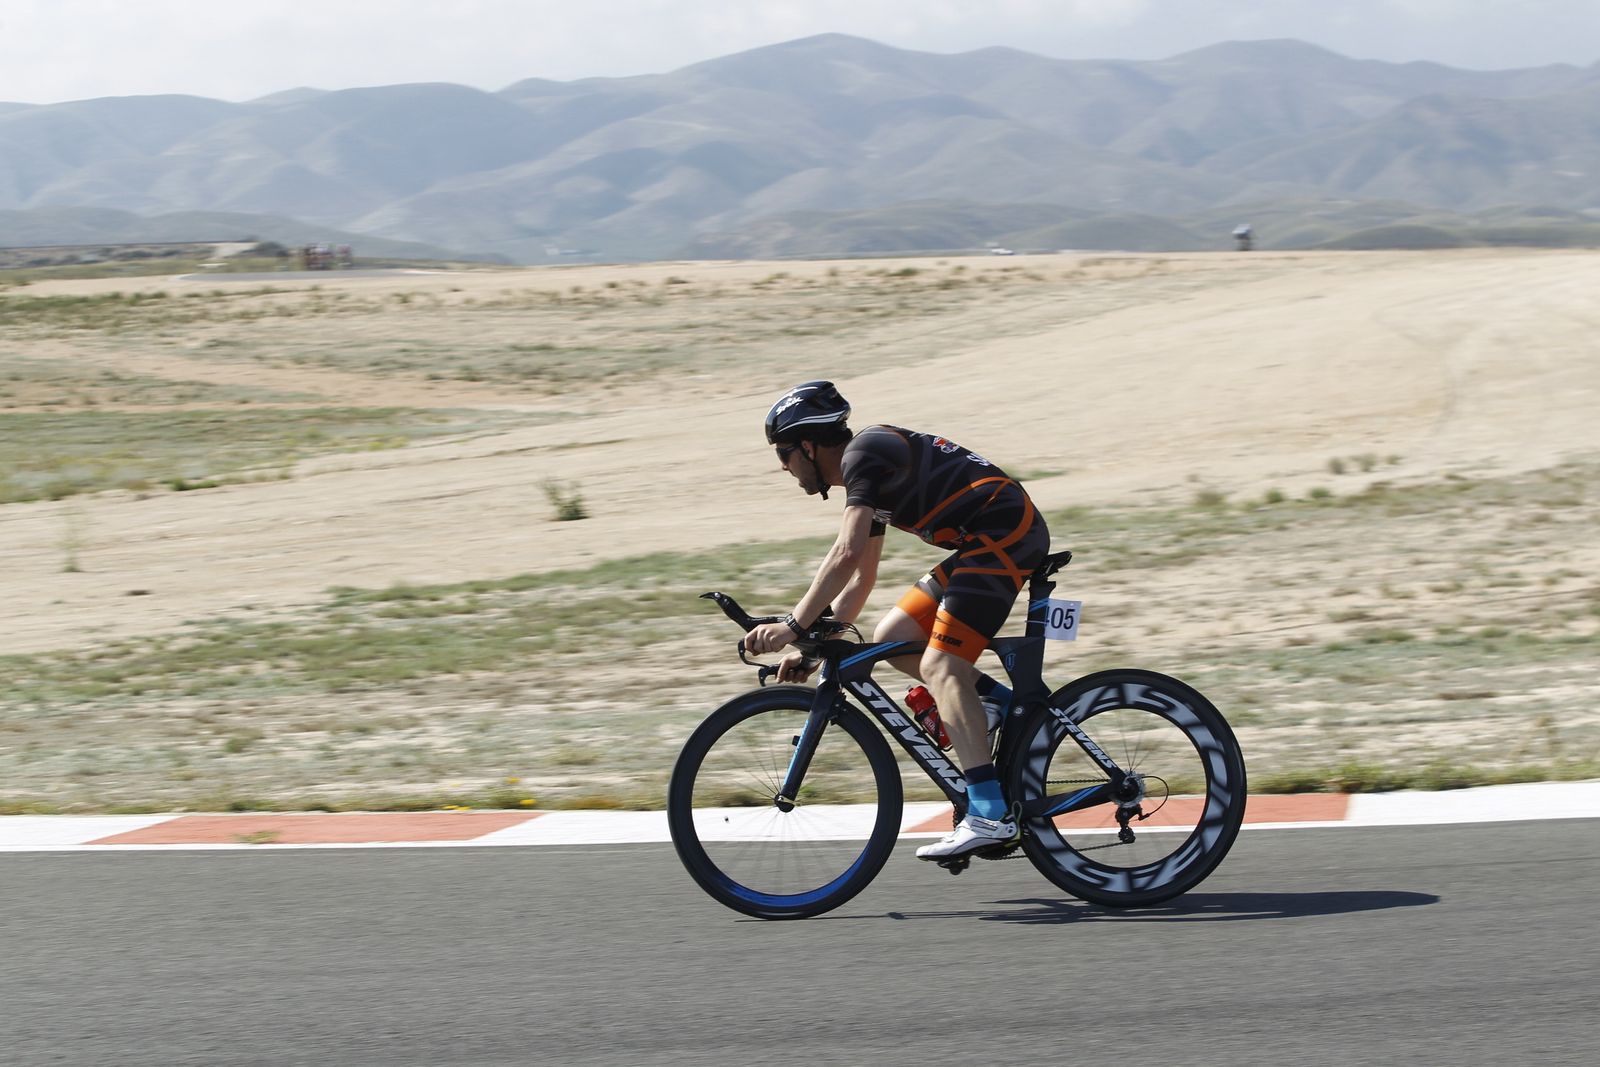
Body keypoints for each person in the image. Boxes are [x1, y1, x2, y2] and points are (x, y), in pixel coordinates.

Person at [743, 381, 1051, 861]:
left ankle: (991, 813)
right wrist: (813, 650)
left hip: (1003, 535)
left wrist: (793, 625)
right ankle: (991, 709)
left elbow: (844, 554)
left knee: (942, 666)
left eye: (784, 453)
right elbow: (861, 580)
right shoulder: (867, 472)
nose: (783, 465)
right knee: (893, 636)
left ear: (807, 445)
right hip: (985, 540)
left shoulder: (862, 455)